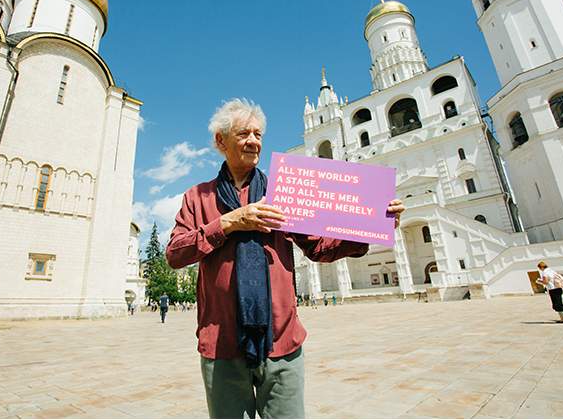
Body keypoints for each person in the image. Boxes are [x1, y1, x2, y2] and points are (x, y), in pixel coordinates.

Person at [165, 98, 405, 419]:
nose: (253, 141)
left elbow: (320, 246)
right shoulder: (198, 198)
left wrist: (371, 226)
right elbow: (175, 253)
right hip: (222, 345)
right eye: (243, 134)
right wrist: (227, 223)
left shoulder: (285, 192)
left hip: (282, 343)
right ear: (221, 141)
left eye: (258, 134)